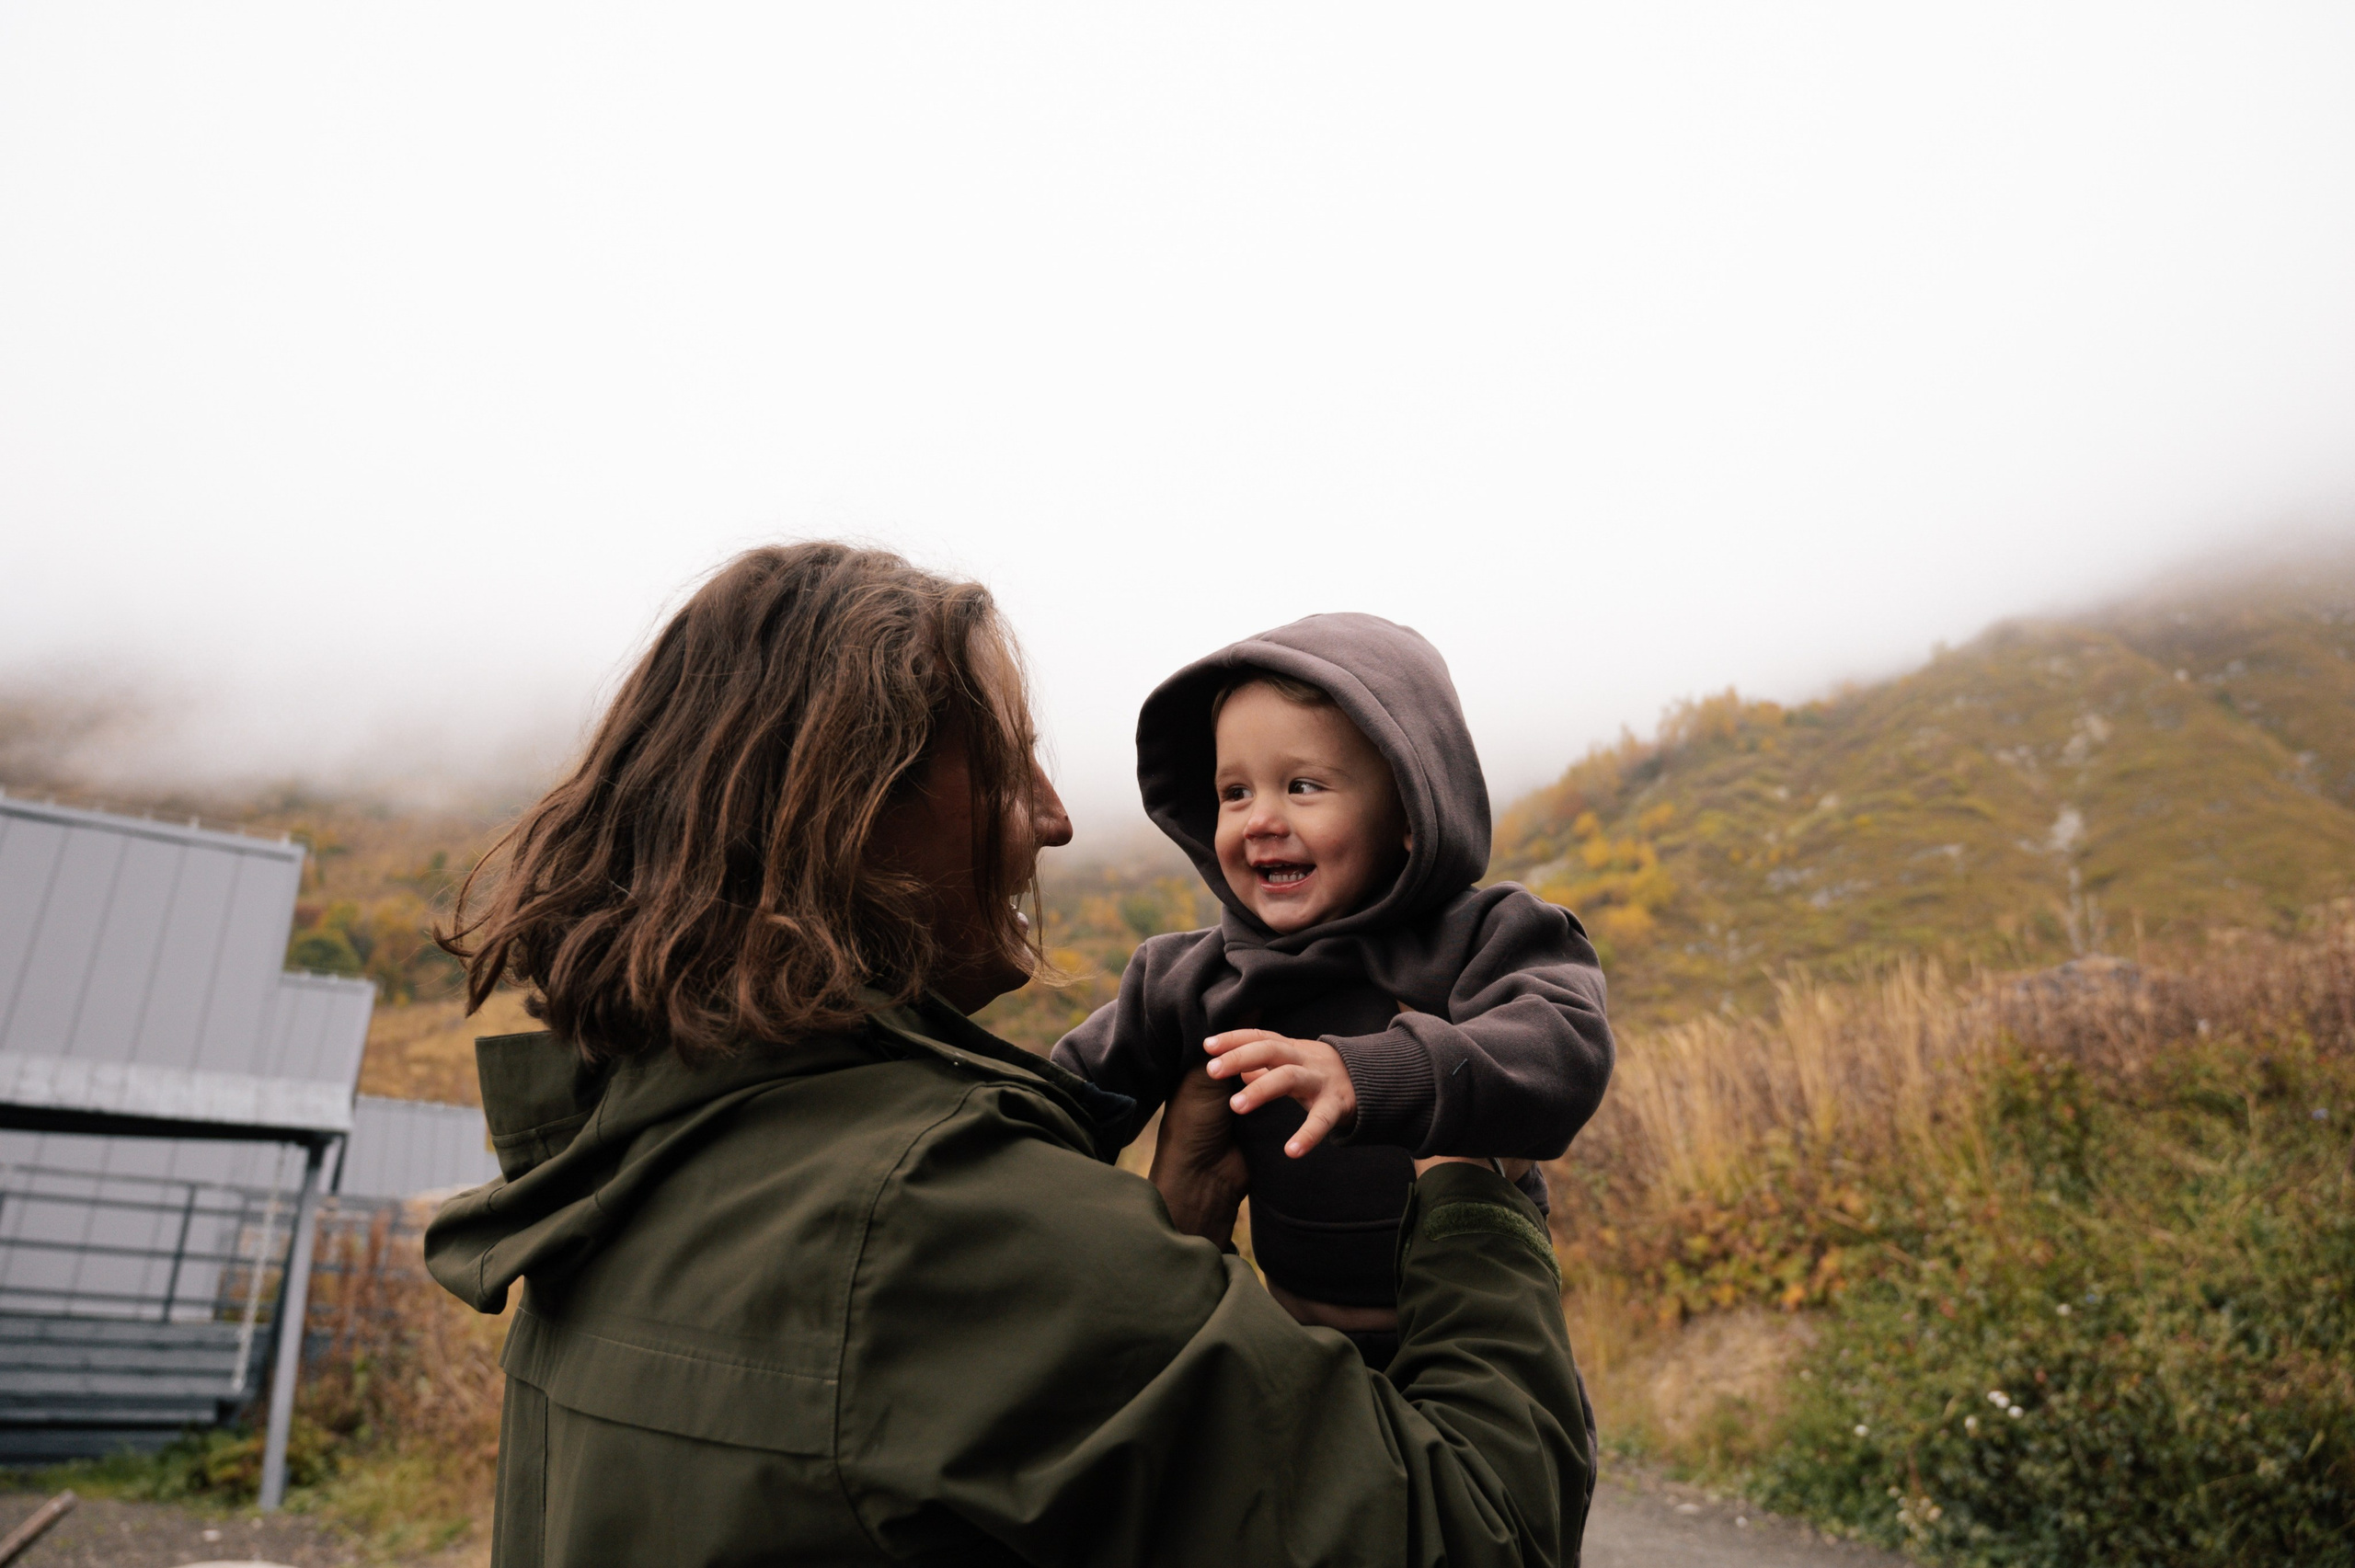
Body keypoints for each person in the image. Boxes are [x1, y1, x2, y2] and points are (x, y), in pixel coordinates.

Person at [424, 544, 1596, 1566]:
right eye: (1004, 764)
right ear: (854, 809)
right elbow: (1480, 1535)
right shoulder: (950, 1219)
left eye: (1302, 784)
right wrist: (1470, 1186)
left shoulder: (629, 1165)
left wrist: (1159, 1237)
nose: (1056, 817)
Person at [1053, 614, 1616, 1366]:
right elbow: (1065, 1100)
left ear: (1411, 813)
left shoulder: (1484, 934)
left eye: (1303, 785)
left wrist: (1373, 1073)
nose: (1261, 820)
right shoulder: (1193, 974)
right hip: (1292, 1344)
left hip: (1472, 1337)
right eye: (1234, 791)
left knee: (1498, 1479)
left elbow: (1566, 1050)